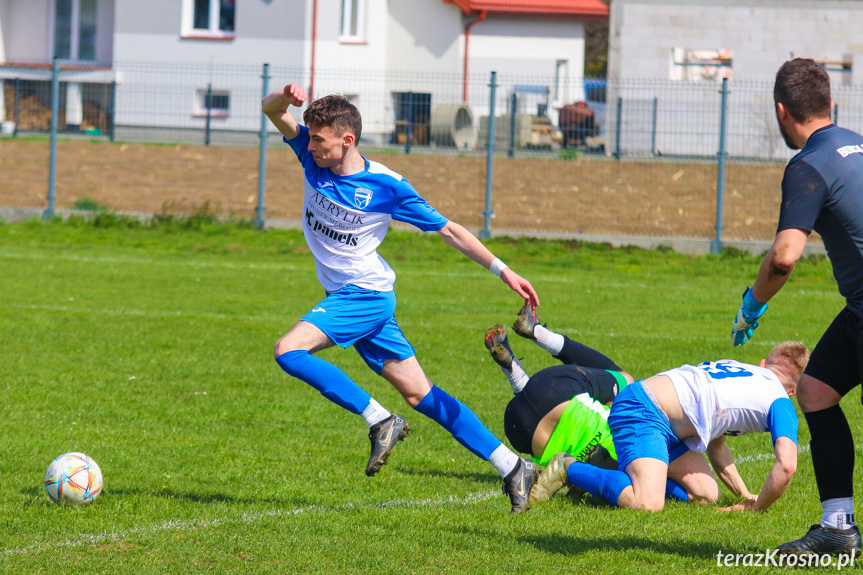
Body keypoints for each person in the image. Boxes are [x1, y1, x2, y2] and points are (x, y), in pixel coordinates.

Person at [261, 83, 541, 513]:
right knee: (421, 395)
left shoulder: (387, 186)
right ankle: (512, 466)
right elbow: (270, 110)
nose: (309, 143)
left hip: (365, 295)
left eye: (318, 138)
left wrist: (503, 270)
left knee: (288, 350)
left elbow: (449, 230)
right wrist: (285, 96)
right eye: (310, 137)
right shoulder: (310, 156)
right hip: (354, 298)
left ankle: (379, 418)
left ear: (346, 140)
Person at [730, 58, 863, 557]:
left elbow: (784, 257)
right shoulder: (857, 144)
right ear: (831, 104)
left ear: (782, 111)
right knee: (814, 390)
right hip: (859, 309)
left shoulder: (808, 164)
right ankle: (836, 528)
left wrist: (752, 305)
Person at [486, 306, 739, 506]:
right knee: (617, 395)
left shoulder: (649, 438)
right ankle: (517, 370)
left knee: (625, 380)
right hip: (524, 434)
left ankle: (538, 335)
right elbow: (692, 491)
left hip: (553, 392)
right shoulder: (642, 467)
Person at [528, 340, 809, 514]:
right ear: (793, 391)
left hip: (659, 414)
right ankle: (569, 467)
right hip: (644, 410)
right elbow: (787, 466)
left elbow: (716, 442)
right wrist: (757, 507)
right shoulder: (780, 400)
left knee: (705, 494)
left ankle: (611, 468)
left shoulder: (743, 370)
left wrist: (744, 495)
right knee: (647, 504)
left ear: (763, 364)